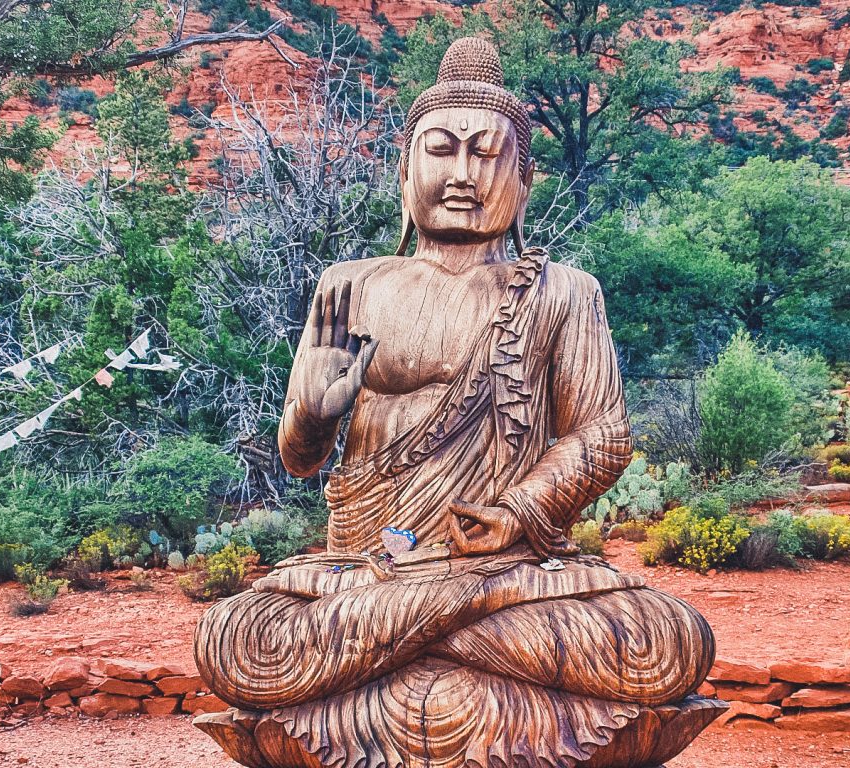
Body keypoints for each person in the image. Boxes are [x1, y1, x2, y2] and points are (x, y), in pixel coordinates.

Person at [194, 37, 722, 768]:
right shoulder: (350, 285)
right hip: (370, 566)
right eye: (441, 151)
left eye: (487, 155)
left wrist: (515, 515)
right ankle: (429, 632)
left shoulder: (564, 292)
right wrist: (312, 413)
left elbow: (603, 437)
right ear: (406, 171)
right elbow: (300, 459)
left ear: (525, 180)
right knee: (238, 635)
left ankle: (400, 638)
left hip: (508, 575)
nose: (463, 175)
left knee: (663, 640)